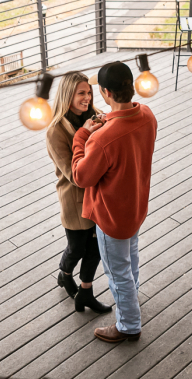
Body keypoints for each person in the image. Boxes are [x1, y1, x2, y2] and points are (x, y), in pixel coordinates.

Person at [71, 61, 158, 343]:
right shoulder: (146, 115)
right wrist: (106, 122)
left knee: (117, 273)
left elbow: (81, 177)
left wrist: (83, 135)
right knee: (130, 263)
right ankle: (131, 302)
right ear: (130, 86)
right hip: (135, 208)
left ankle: (128, 326)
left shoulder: (102, 139)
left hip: (112, 216)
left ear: (106, 92)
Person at [46, 72, 112, 314]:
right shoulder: (56, 131)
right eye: (81, 93)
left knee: (95, 247)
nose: (87, 97)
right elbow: (74, 176)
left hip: (98, 196)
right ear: (68, 96)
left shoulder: (96, 117)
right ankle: (64, 273)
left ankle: (86, 291)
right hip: (75, 199)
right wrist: (85, 134)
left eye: (89, 92)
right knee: (77, 248)